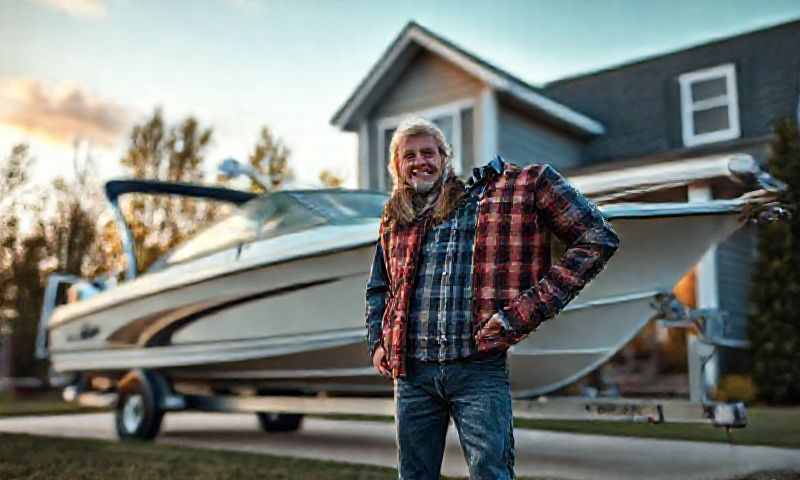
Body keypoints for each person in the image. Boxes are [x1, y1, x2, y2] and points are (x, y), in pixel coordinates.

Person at [365, 117, 620, 479]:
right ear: (397, 167)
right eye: (409, 155)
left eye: (428, 152)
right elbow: (379, 287)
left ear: (444, 159)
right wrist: (377, 340)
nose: (419, 161)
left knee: (491, 473)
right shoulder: (394, 219)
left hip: (478, 367)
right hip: (412, 373)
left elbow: (597, 237)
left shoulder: (491, 197)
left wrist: (521, 314)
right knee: (414, 475)